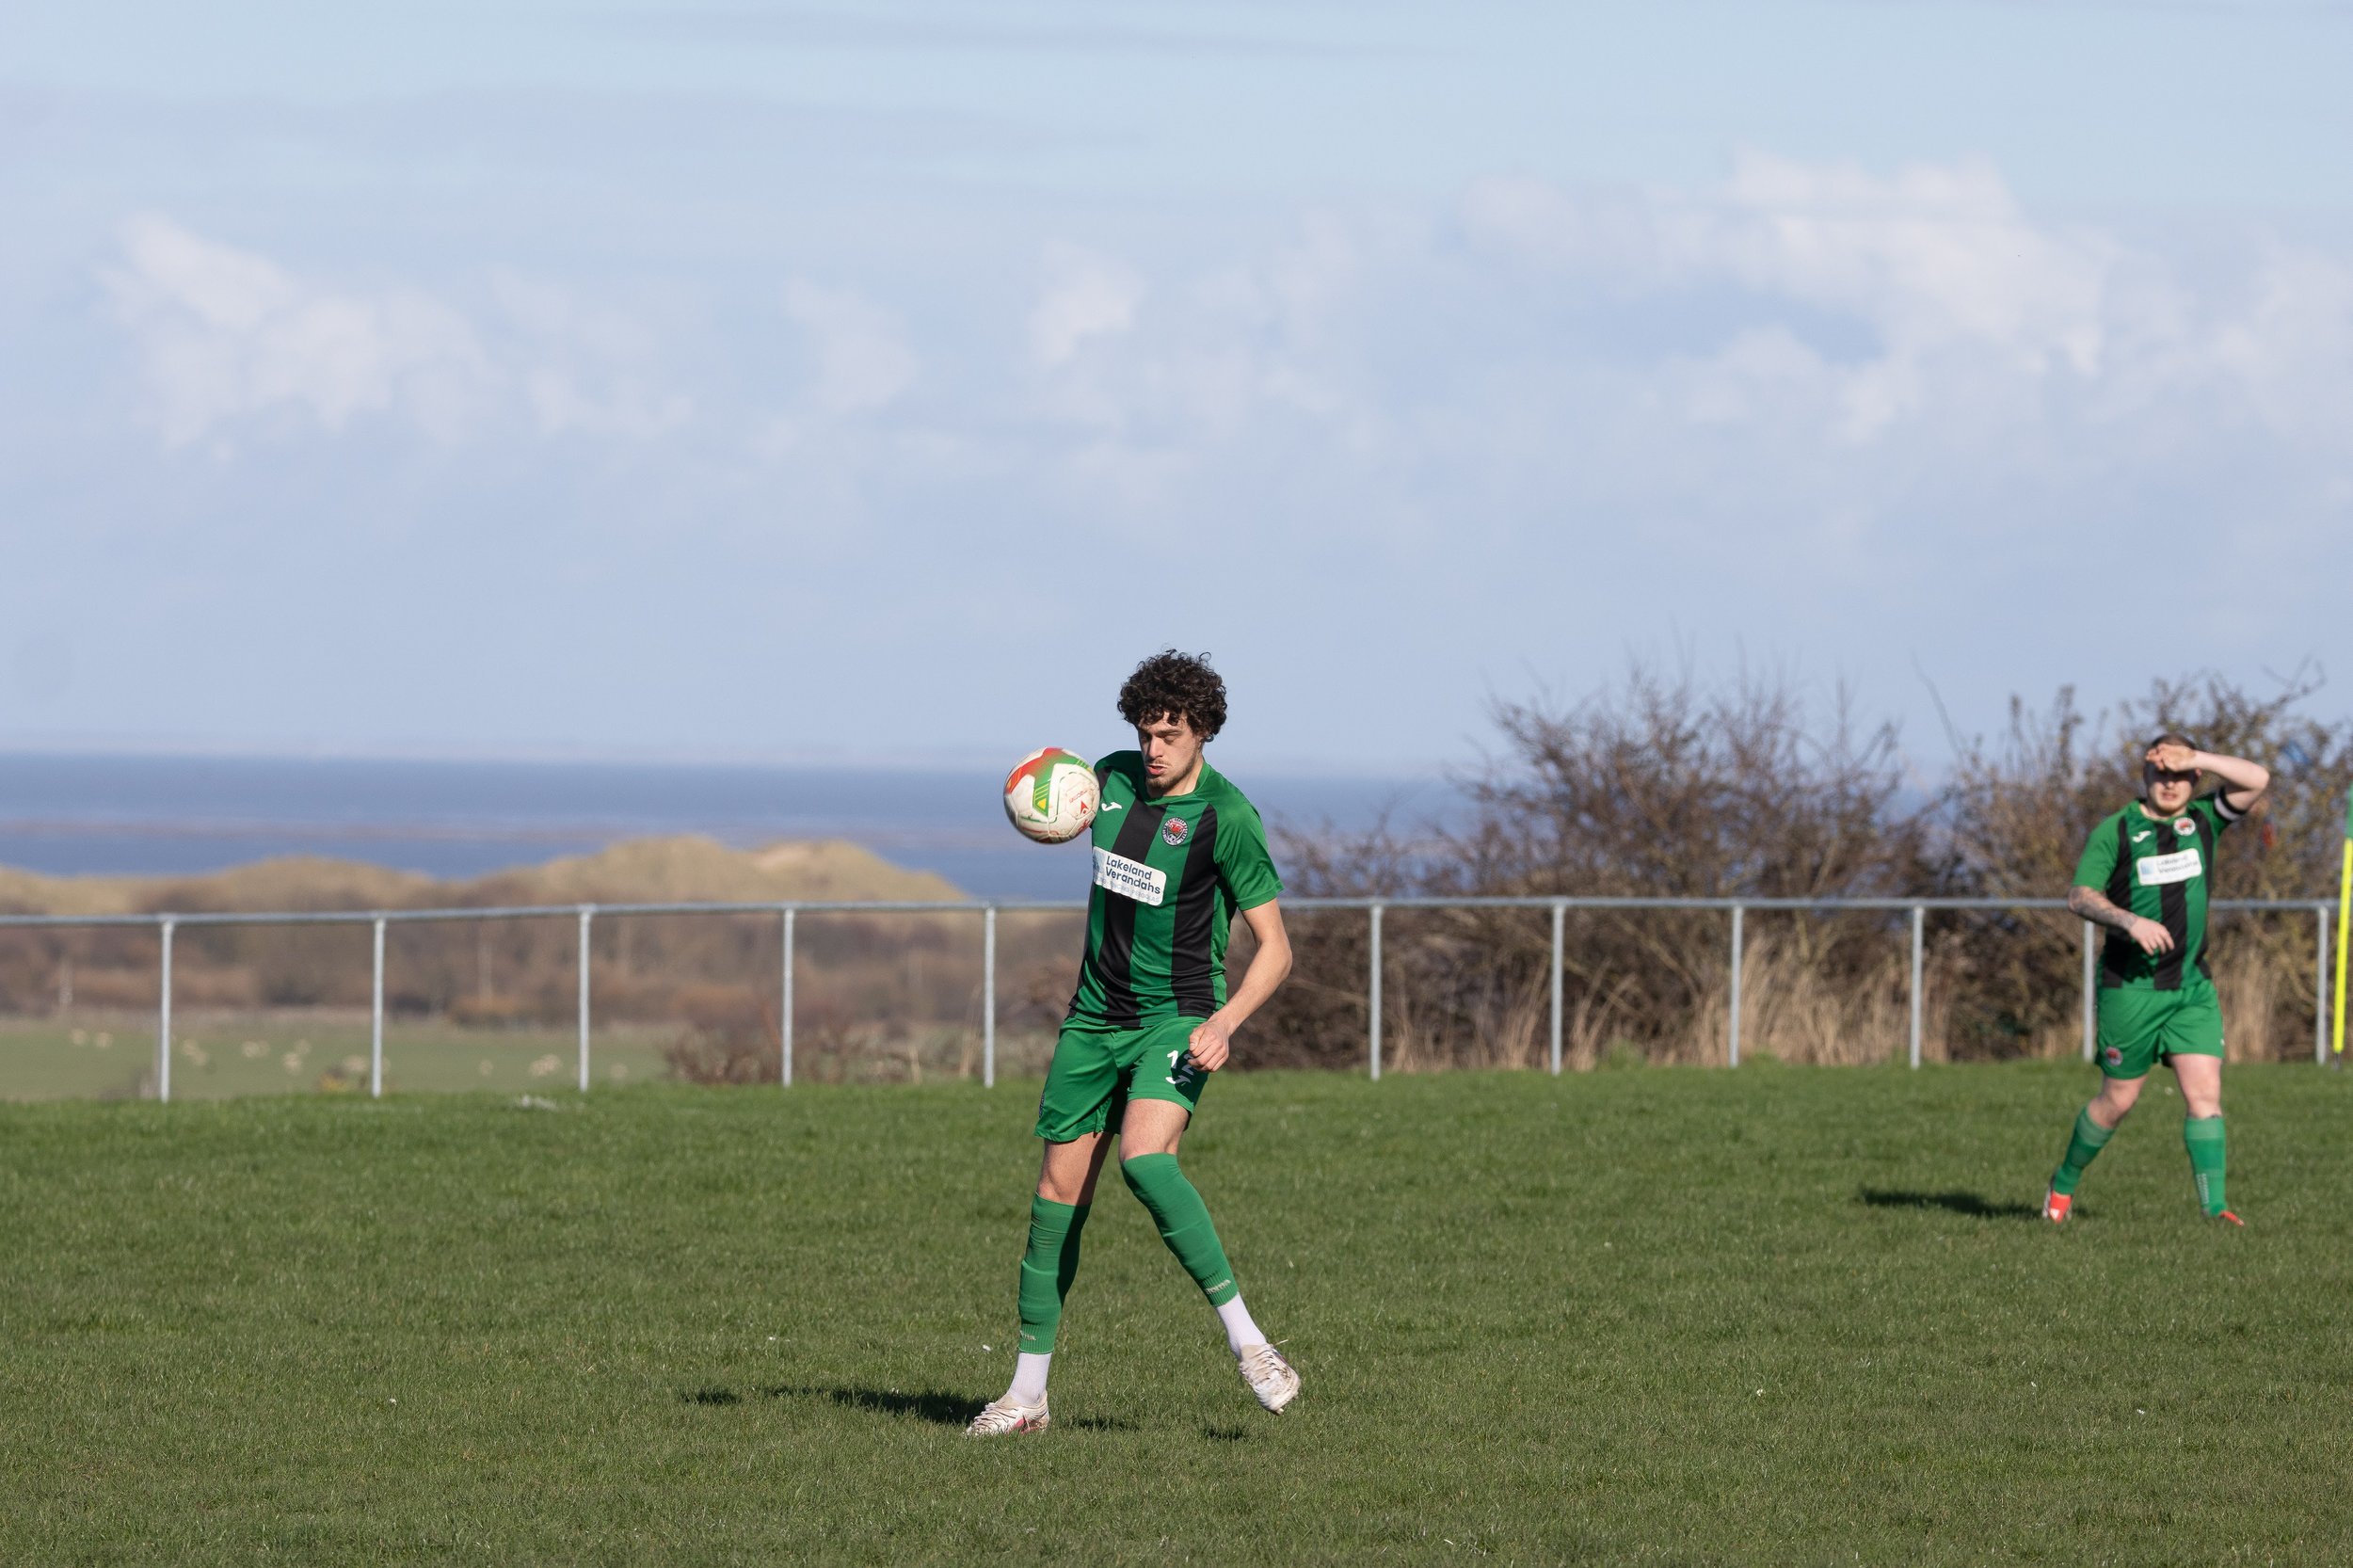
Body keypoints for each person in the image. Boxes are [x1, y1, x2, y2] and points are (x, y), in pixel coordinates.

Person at [968, 650, 1300, 1436]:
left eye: (1169, 734)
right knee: (1055, 1203)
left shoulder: (1228, 818)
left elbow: (1278, 950)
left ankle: (1251, 1344)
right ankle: (1026, 1398)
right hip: (1092, 1020)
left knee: (1146, 1159)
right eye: (1145, 732)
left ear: (1204, 732)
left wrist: (1223, 1024)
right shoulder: (1106, 781)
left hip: (1178, 1018)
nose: (1152, 749)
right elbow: (1052, 787)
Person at [2043, 733, 2270, 1225]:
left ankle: (2215, 1210)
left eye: (2180, 774)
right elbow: (2080, 896)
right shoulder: (2117, 831)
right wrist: (2129, 921)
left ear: (2194, 779)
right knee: (2118, 1100)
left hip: (2191, 988)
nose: (2170, 784)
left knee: (2205, 1094)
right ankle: (2062, 1184)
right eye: (2160, 773)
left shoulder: (2204, 818)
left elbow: (2259, 779)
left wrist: (2200, 759)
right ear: (2144, 777)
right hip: (2132, 989)